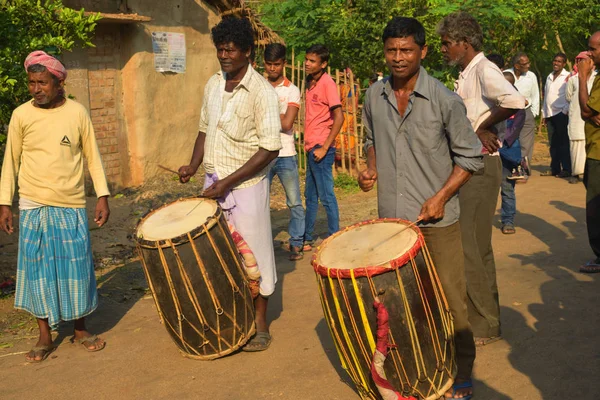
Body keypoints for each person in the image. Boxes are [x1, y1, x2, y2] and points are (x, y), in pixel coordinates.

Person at [359, 17, 482, 400]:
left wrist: (441, 196)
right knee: (401, 302)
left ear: (423, 52)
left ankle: (462, 372)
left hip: (437, 222)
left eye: (407, 50)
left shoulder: (445, 100)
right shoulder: (372, 96)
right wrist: (371, 167)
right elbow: (369, 138)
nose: (398, 58)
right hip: (392, 224)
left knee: (450, 301)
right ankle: (419, 367)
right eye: (392, 50)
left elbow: (471, 158)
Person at [178, 17, 282, 351]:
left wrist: (229, 182)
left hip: (246, 187)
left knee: (255, 255)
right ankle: (230, 318)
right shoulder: (212, 84)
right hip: (214, 182)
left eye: (231, 49)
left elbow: (269, 147)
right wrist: (193, 165)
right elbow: (205, 128)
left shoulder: (261, 92)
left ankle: (260, 324)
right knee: (221, 256)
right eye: (220, 49)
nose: (224, 55)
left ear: (248, 52)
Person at [0, 51, 110, 362]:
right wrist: (4, 204)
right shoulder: (21, 115)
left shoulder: (77, 113)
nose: (36, 89)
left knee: (75, 269)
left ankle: (79, 329)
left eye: (42, 83)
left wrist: (102, 196)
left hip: (70, 204)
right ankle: (45, 335)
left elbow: (92, 156)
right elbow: (11, 162)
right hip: (33, 205)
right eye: (32, 83)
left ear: (59, 82)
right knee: (38, 272)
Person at [437, 11, 526, 346]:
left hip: (480, 167)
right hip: (475, 165)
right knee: (477, 247)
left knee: (469, 248)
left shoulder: (484, 69)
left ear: (465, 42)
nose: (443, 49)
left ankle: (483, 325)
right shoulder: (467, 72)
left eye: (447, 43)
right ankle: (488, 321)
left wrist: (482, 127)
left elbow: (517, 101)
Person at [262, 43, 306, 261]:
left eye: (276, 64)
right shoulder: (258, 86)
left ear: (284, 64)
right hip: (261, 154)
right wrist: (278, 115)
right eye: (269, 64)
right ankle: (259, 245)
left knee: (294, 201)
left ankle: (296, 242)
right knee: (259, 201)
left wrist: (264, 116)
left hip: (285, 152)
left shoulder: (292, 90)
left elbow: (288, 124)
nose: (272, 68)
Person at [303, 44, 344, 249]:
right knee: (310, 196)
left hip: (321, 148)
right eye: (307, 59)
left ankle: (334, 237)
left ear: (324, 64)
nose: (307, 64)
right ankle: (307, 237)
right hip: (311, 148)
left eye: (312, 61)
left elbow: (339, 117)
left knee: (326, 195)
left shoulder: (327, 83)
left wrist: (325, 147)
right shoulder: (310, 83)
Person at [577, 31, 600, 273]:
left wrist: (583, 77)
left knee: (595, 207)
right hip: (594, 147)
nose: (589, 54)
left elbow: (585, 110)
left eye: (593, 50)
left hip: (598, 153)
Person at [498, 71, 527, 234]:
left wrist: (500, 141)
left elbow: (515, 129)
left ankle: (508, 220)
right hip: (491, 150)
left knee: (507, 188)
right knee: (486, 189)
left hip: (508, 151)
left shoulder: (518, 105)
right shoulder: (494, 101)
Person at [506, 52, 540, 182]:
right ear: (516, 66)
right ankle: (512, 169)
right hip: (509, 113)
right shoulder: (506, 75)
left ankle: (523, 173)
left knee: (526, 144)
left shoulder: (531, 76)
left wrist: (534, 113)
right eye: (525, 64)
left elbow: (535, 94)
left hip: (526, 112)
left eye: (528, 62)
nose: (528, 65)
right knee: (511, 142)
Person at [566, 51, 597, 184]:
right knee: (576, 143)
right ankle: (576, 172)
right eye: (579, 61)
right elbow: (568, 97)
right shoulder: (573, 79)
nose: (581, 63)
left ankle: (588, 173)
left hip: (593, 115)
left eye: (585, 60)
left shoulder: (597, 78)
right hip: (576, 114)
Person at [541, 53, 571, 177]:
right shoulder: (549, 76)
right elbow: (546, 95)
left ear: (564, 64)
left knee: (563, 143)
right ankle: (555, 168)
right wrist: (544, 114)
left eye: (559, 61)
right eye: (555, 60)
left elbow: (571, 95)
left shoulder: (567, 76)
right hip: (550, 114)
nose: (556, 63)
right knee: (553, 143)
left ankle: (567, 169)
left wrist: (565, 110)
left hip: (561, 113)